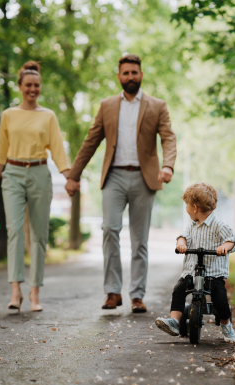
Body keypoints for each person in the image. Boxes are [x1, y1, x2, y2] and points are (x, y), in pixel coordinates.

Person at [65, 54, 177, 313]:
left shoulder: (157, 105)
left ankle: (137, 295)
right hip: (113, 176)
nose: (130, 77)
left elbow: (168, 138)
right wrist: (74, 174)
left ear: (141, 74)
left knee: (140, 240)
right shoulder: (106, 106)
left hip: (143, 177)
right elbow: (90, 141)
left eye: (134, 73)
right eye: (125, 73)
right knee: (109, 230)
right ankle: (113, 292)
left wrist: (168, 165)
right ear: (119, 76)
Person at [0, 61, 70, 312]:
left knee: (39, 235)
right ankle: (15, 291)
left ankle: (35, 293)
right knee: (14, 232)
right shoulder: (8, 115)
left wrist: (69, 177)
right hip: (11, 174)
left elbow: (57, 150)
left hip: (39, 173)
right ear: (20, 86)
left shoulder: (49, 116)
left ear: (40, 87)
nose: (33, 89)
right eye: (28, 85)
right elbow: (0, 152)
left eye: (37, 85)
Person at [155, 182, 235, 343]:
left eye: (186, 205)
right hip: (191, 271)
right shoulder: (192, 225)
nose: (186, 209)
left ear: (194, 208)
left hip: (213, 273)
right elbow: (183, 236)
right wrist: (182, 244)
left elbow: (232, 240)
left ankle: (226, 325)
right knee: (179, 290)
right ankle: (174, 321)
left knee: (220, 300)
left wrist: (224, 247)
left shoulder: (219, 225)